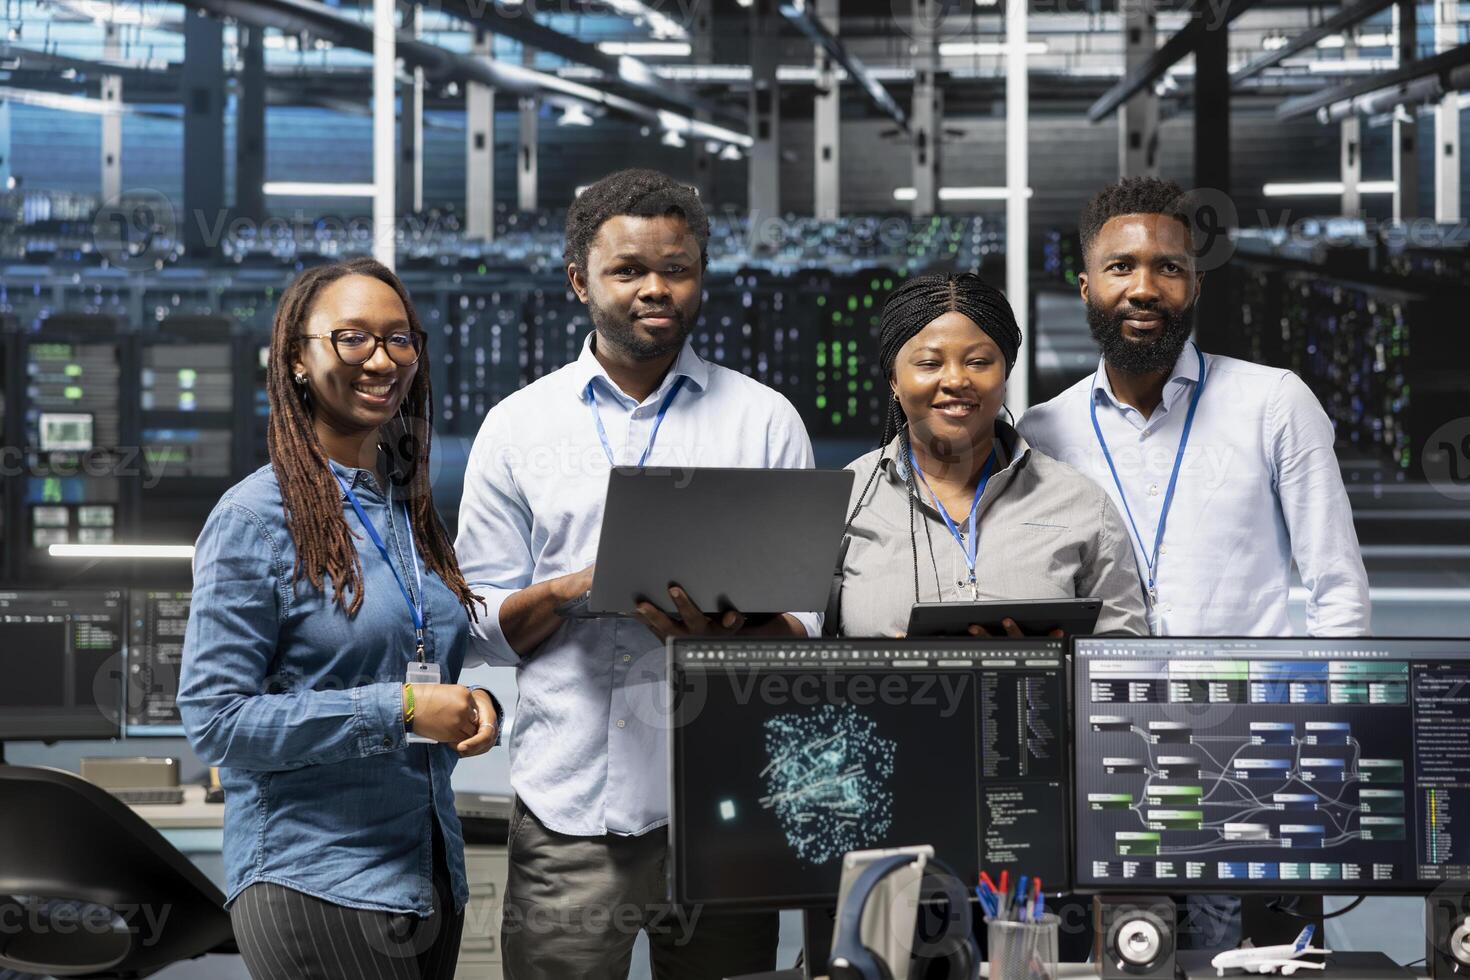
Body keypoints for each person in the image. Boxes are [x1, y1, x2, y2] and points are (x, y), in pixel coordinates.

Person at [454, 169, 817, 979]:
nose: (657, 288)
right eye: (629, 271)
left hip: (727, 819)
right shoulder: (518, 429)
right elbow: (478, 625)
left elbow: (808, 628)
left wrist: (723, 636)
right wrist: (579, 586)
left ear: (700, 277)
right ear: (580, 279)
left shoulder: (762, 421)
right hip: (568, 818)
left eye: (678, 269)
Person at [1017, 177, 1372, 950]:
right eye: (1121, 267)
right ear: (1086, 285)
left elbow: (1338, 591)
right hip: (1105, 768)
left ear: (1194, 283)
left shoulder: (1274, 404)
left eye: (1167, 267)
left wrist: (1308, 742)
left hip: (1254, 763)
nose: (1144, 286)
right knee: (1117, 962)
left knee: (1256, 967)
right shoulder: (1044, 430)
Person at [178, 257, 501, 980]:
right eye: (353, 338)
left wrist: (472, 705)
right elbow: (215, 719)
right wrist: (403, 707)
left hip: (427, 878)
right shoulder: (254, 519)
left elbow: (418, 655)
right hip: (316, 881)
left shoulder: (407, 509)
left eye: (400, 339)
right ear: (298, 357)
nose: (382, 359)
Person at [836, 271, 1148, 639]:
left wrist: (1044, 671)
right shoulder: (847, 500)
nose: (955, 380)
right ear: (894, 380)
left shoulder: (1080, 503)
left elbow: (1123, 656)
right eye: (929, 364)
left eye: (978, 362)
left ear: (1005, 373)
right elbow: (802, 649)